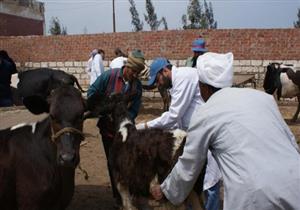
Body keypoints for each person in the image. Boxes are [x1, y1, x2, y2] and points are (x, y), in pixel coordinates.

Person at [150, 52, 300, 210]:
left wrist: (166, 189)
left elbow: (189, 165)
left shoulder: (205, 114)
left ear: (203, 86)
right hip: (295, 182)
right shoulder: (264, 99)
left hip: (254, 197)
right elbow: (291, 142)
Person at [135, 57, 221, 209]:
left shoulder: (183, 77)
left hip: (207, 133)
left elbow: (173, 116)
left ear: (165, 71)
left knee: (209, 183)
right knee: (193, 180)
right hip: (194, 135)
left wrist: (144, 126)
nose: (158, 84)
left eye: (158, 79)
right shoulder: (176, 83)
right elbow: (176, 118)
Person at [87, 49, 145, 207]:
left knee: (127, 162)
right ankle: (118, 198)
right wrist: (104, 107)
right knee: (113, 162)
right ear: (128, 66)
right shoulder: (109, 76)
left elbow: (135, 109)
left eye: (138, 73)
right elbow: (91, 93)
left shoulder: (137, 86)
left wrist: (125, 119)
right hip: (107, 131)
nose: (135, 75)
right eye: (133, 71)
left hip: (126, 132)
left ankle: (128, 195)